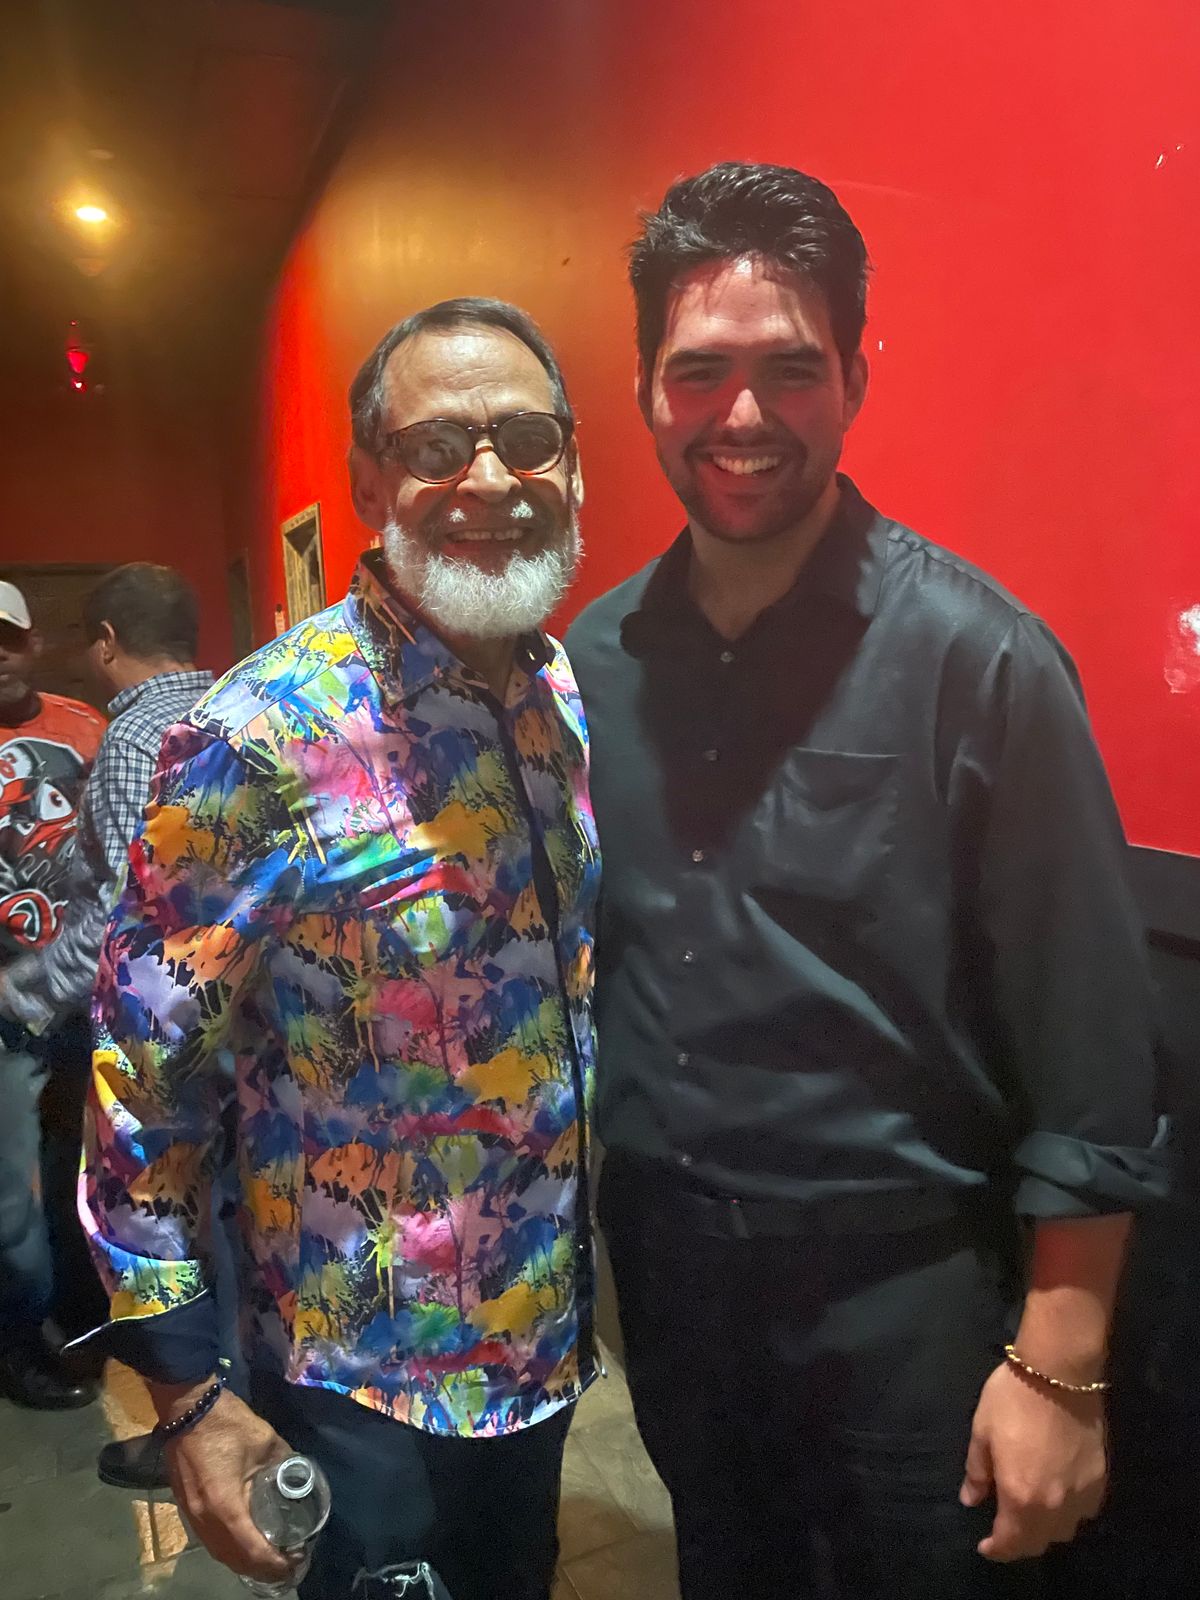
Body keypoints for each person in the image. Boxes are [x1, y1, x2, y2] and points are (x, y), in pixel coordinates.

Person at [566, 162, 1165, 1599]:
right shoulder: (589, 666)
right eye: (700, 371)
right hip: (675, 1294)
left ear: (854, 381)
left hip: (907, 1302)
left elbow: (1091, 1054)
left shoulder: (981, 661)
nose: (744, 414)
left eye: (791, 368)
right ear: (646, 390)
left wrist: (1062, 1370)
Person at [79, 298, 600, 1600]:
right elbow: (141, 1081)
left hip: (541, 1349)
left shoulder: (557, 696)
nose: (490, 478)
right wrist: (187, 1394)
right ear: (370, 483)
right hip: (363, 1383)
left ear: (574, 463)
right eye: (438, 447)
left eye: (526, 437)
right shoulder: (259, 731)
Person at [0, 561, 213, 1481]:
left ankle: (189, 1419)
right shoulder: (244, 705)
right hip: (188, 1013)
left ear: (96, 644)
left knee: (130, 1203)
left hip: (117, 1008)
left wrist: (29, 990)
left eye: (10, 637)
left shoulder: (110, 730)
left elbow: (134, 900)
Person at [0, 579, 107, 1408]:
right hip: (3, 1002)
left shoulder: (86, 727)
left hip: (80, 986)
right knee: (12, 1201)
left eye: (6, 638)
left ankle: (82, 1320)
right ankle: (16, 1345)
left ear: (31, 643)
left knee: (81, 1169)